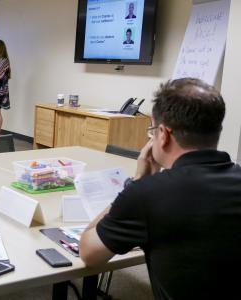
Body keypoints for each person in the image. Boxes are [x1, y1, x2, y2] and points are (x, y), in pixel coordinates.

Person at [79, 78, 241, 299]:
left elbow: (89, 253)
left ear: (163, 135)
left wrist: (136, 181)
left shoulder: (146, 194)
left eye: (152, 130)